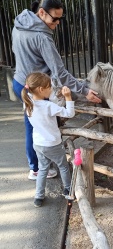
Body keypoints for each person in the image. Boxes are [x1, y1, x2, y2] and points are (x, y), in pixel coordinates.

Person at [12, 0, 102, 180]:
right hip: (37, 88)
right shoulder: (42, 38)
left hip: (19, 82)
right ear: (42, 12)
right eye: (55, 18)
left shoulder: (19, 24)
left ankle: (37, 165)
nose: (58, 22)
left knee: (33, 125)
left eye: (61, 18)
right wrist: (84, 91)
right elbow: (60, 73)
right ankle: (37, 168)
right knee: (39, 127)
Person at [21, 72, 75, 207]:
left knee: (43, 168)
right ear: (41, 89)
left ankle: (38, 197)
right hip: (52, 144)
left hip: (38, 144)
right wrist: (68, 97)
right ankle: (68, 189)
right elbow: (69, 113)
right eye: (49, 87)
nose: (51, 89)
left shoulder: (27, 103)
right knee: (63, 166)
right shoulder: (48, 106)